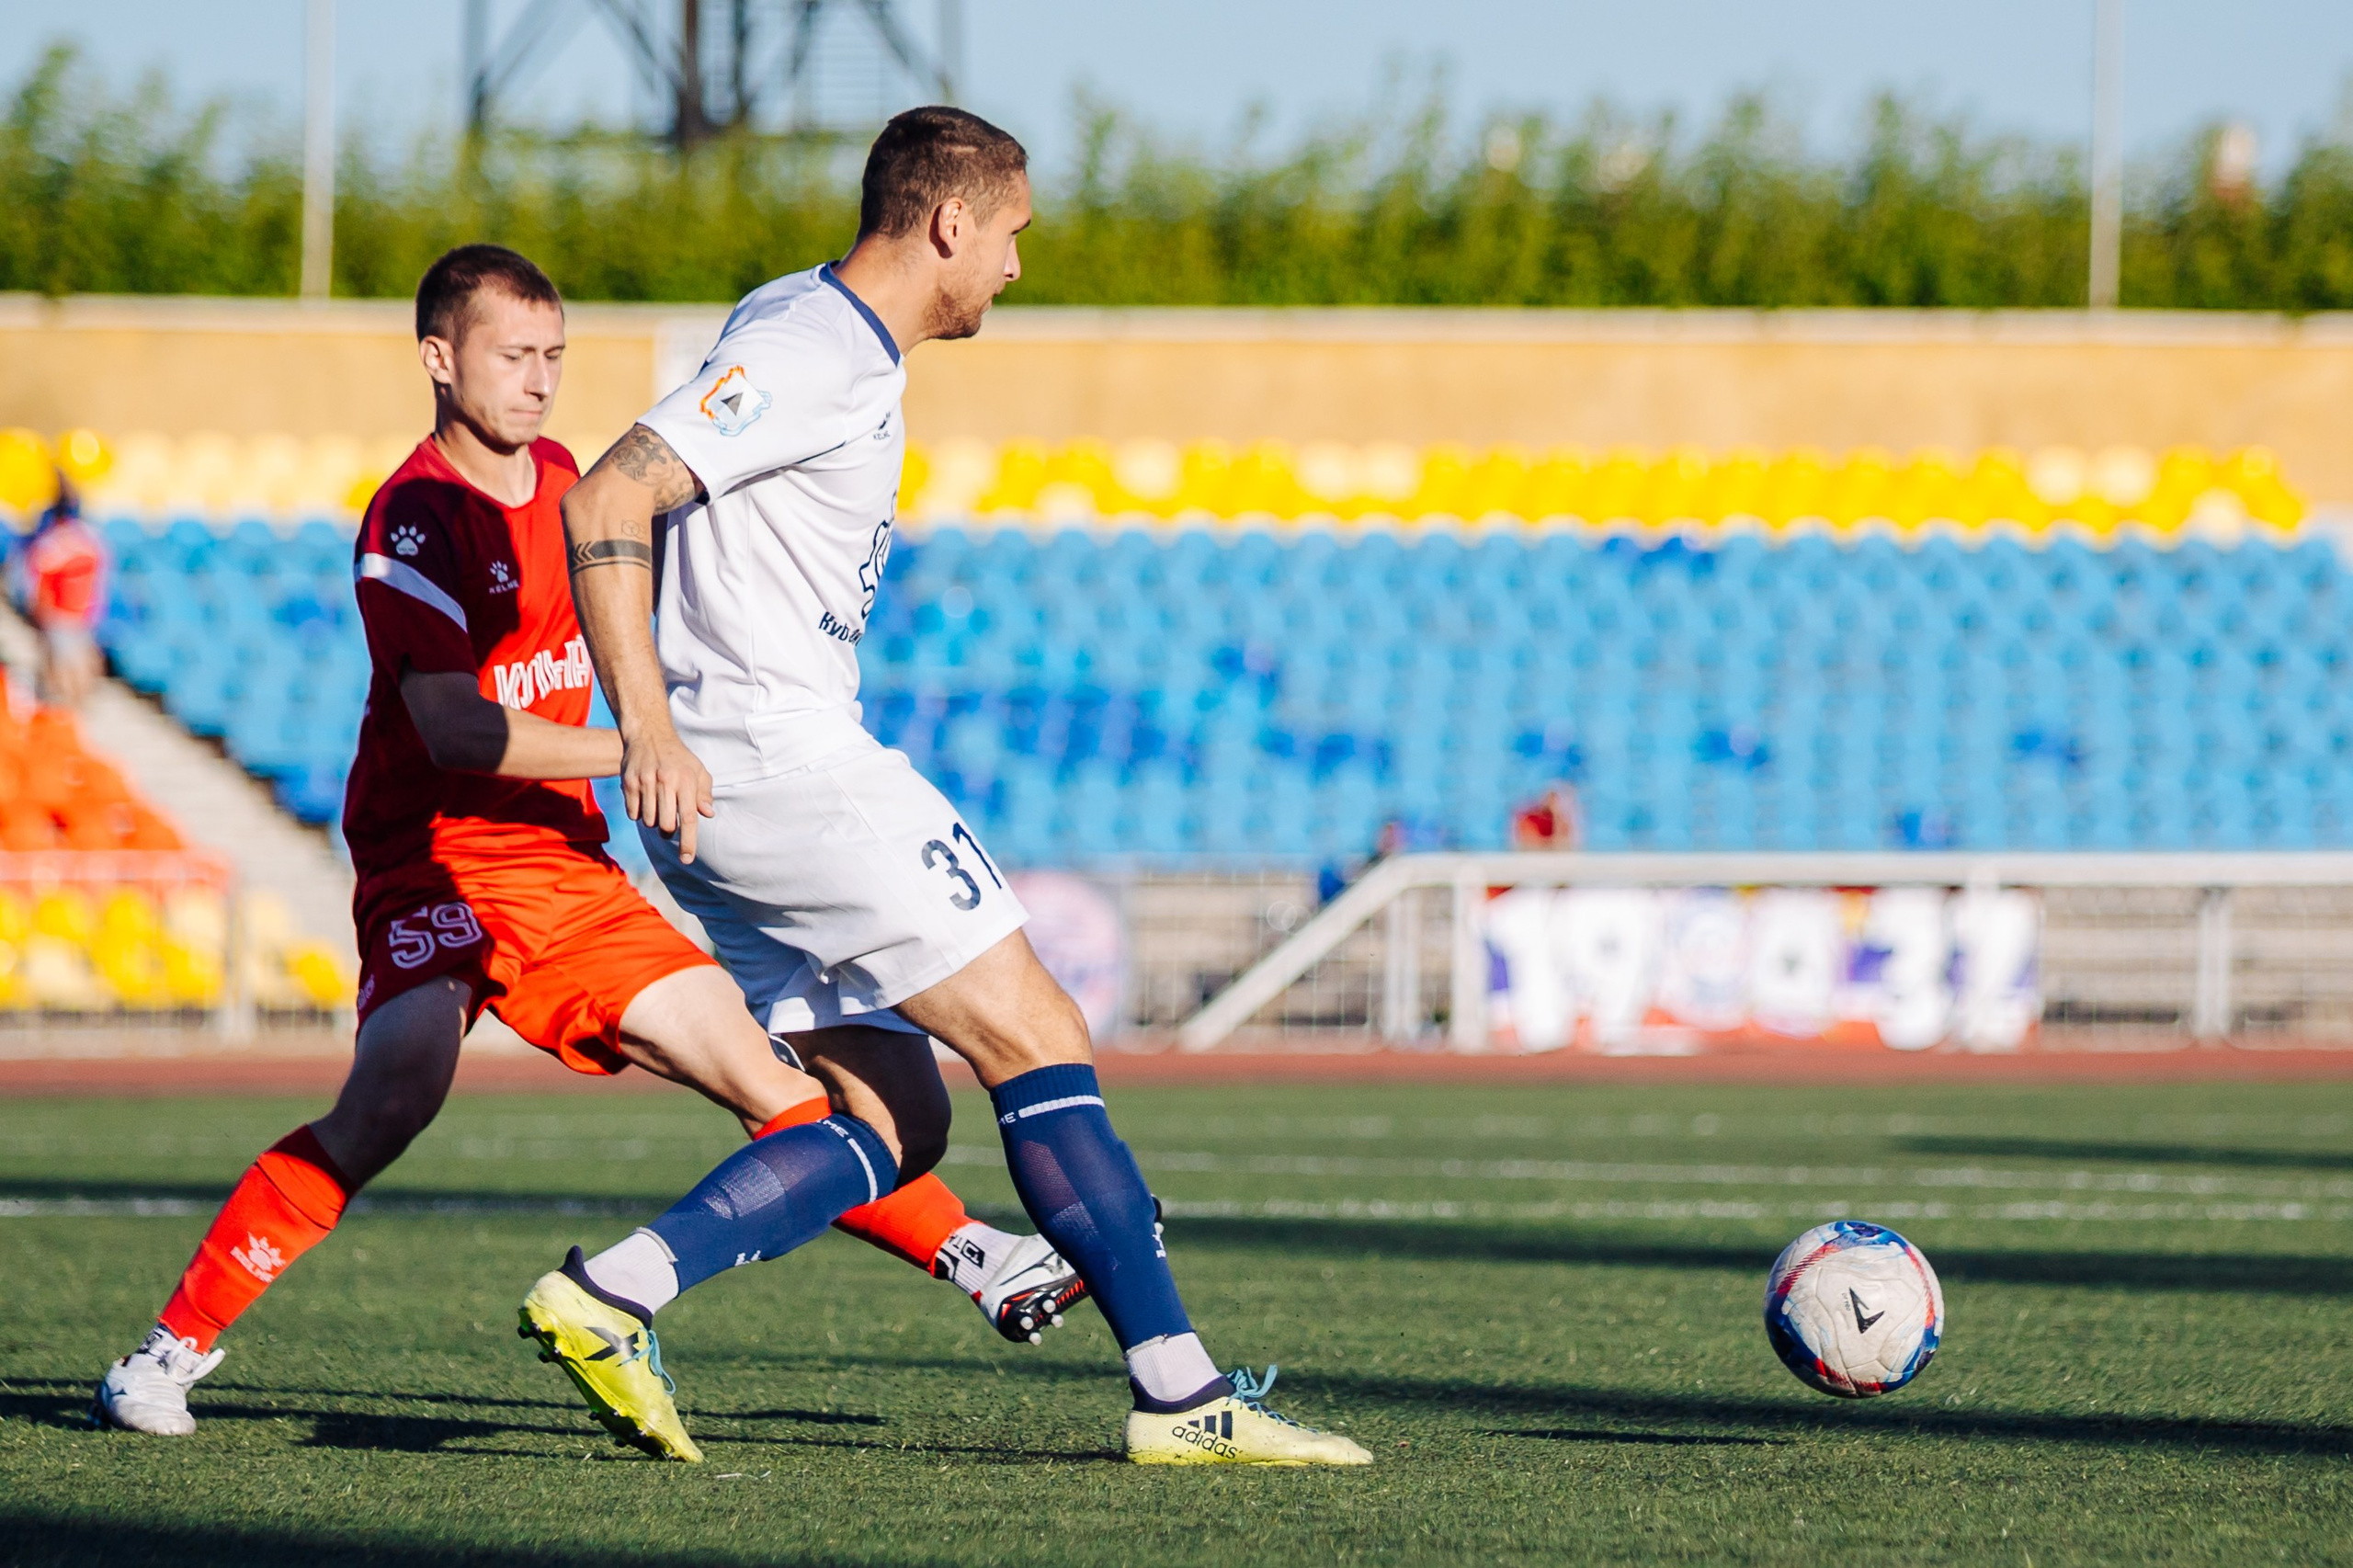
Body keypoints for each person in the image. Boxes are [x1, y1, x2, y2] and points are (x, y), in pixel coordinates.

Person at [91, 244, 1082, 1439]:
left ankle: (981, 1255)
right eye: (515, 355)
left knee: (774, 1086)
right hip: (438, 857)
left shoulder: (569, 477)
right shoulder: (413, 520)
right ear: (438, 358)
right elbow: (453, 727)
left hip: (559, 864)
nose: (540, 380)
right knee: (393, 1092)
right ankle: (167, 1348)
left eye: (555, 356)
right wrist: (640, 749)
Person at [545, 108, 1370, 1467]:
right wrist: (647, 719)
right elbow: (606, 496)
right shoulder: (813, 350)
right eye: (1012, 237)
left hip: (733, 790)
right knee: (1035, 1029)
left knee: (897, 1114)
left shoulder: (805, 322)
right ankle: (1183, 1393)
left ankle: (611, 1289)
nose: (1016, 269)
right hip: (779, 762)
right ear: (948, 224)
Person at [22, 478, 106, 710]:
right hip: (65, 616)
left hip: (72, 616)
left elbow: (36, 581)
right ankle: (64, 709)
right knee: (65, 668)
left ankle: (70, 709)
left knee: (71, 668)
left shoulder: (56, 542)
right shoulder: (83, 539)